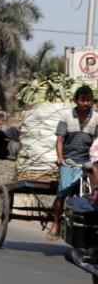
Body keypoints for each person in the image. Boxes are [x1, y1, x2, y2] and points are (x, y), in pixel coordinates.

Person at [50, 85, 97, 240]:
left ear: (92, 101)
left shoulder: (96, 118)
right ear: (76, 100)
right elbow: (60, 139)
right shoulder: (66, 116)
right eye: (82, 100)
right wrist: (60, 158)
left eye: (88, 101)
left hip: (88, 160)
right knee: (62, 192)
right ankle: (55, 223)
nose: (85, 104)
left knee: (93, 192)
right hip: (69, 161)